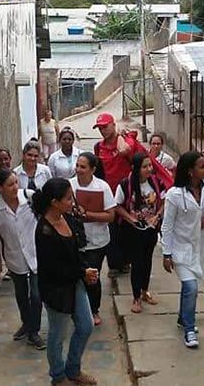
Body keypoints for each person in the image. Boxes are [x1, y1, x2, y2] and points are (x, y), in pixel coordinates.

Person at [161, 151, 204, 349]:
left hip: (199, 245)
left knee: (189, 286)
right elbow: (167, 226)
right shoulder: (174, 195)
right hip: (180, 247)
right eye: (202, 167)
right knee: (191, 288)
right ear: (190, 171)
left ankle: (183, 317)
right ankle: (190, 329)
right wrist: (166, 253)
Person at [33, 178, 99, 386]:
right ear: (54, 202)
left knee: (86, 326)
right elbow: (55, 268)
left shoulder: (67, 219)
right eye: (69, 198)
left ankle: (73, 369)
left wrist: (84, 270)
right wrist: (82, 273)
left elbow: (76, 251)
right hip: (56, 289)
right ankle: (58, 375)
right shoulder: (44, 231)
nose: (72, 202)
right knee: (57, 334)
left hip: (74, 282)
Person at [0, 169, 45, 349]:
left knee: (37, 296)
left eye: (16, 182)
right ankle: (27, 323)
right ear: (0, 188)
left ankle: (34, 332)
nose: (15, 187)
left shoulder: (30, 198)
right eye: (10, 185)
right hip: (14, 258)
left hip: (37, 254)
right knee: (22, 295)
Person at [93, 113, 145, 276]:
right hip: (108, 193)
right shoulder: (98, 147)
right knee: (111, 229)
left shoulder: (124, 141)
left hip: (126, 192)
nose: (103, 131)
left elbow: (125, 150)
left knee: (126, 229)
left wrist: (121, 135)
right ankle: (114, 264)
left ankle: (126, 261)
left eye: (105, 127)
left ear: (113, 125)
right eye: (100, 128)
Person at [114, 152, 164, 314]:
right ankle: (136, 297)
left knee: (148, 260)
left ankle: (145, 291)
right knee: (137, 263)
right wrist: (132, 219)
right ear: (136, 169)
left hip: (151, 229)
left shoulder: (156, 183)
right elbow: (117, 206)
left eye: (150, 165)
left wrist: (157, 216)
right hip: (133, 231)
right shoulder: (125, 185)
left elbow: (164, 201)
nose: (149, 169)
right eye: (145, 166)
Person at [70, 152, 116, 326]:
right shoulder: (70, 185)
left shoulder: (102, 187)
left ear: (93, 169)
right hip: (75, 240)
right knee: (77, 276)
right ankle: (77, 308)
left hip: (97, 241)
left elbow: (110, 216)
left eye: (83, 167)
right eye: (77, 166)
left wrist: (87, 215)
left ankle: (93, 309)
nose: (79, 170)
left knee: (92, 276)